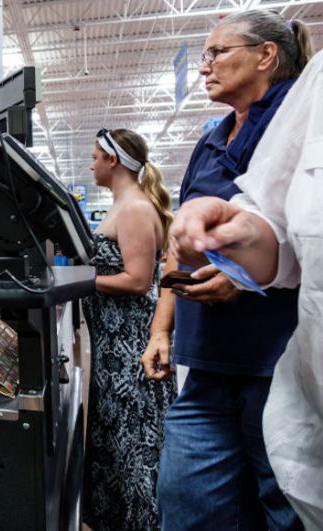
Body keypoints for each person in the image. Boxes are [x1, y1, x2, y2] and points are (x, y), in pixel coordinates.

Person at [140, 10, 314, 530]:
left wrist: (245, 276)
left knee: (287, 508)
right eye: (204, 56)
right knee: (187, 505)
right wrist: (161, 328)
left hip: (280, 366)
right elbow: (178, 244)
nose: (204, 67)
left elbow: (304, 236)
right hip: (207, 366)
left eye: (218, 53)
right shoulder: (212, 139)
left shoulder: (299, 126)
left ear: (266, 55)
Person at [81, 128, 175, 530]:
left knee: (134, 448)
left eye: (95, 155)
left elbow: (137, 280)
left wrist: (80, 280)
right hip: (112, 348)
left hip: (130, 348)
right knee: (118, 449)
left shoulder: (135, 208)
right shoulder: (123, 206)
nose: (91, 162)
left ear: (113, 160)